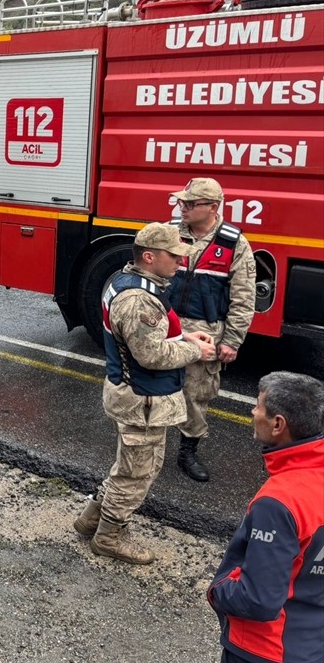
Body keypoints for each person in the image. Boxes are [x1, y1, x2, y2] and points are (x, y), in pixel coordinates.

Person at [191, 371, 324, 663]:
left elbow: (259, 600)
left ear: (278, 424)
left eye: (258, 406)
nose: (252, 412)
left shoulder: (280, 501)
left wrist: (218, 590)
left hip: (265, 649)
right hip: (308, 633)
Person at [73, 223, 215, 564]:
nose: (180, 261)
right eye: (174, 255)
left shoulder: (131, 282)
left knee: (129, 466)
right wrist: (196, 351)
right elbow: (151, 355)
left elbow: (150, 337)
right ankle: (109, 537)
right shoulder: (139, 300)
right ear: (149, 257)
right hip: (143, 400)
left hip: (136, 395)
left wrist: (184, 337)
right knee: (138, 473)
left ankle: (91, 519)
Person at [167, 178, 257, 482]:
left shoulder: (233, 243)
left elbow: (243, 298)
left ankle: (187, 453)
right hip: (166, 326)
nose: (183, 208)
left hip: (205, 331)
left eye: (191, 203)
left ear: (213, 207)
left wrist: (232, 340)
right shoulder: (170, 232)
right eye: (182, 202)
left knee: (195, 394)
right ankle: (147, 446)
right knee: (151, 386)